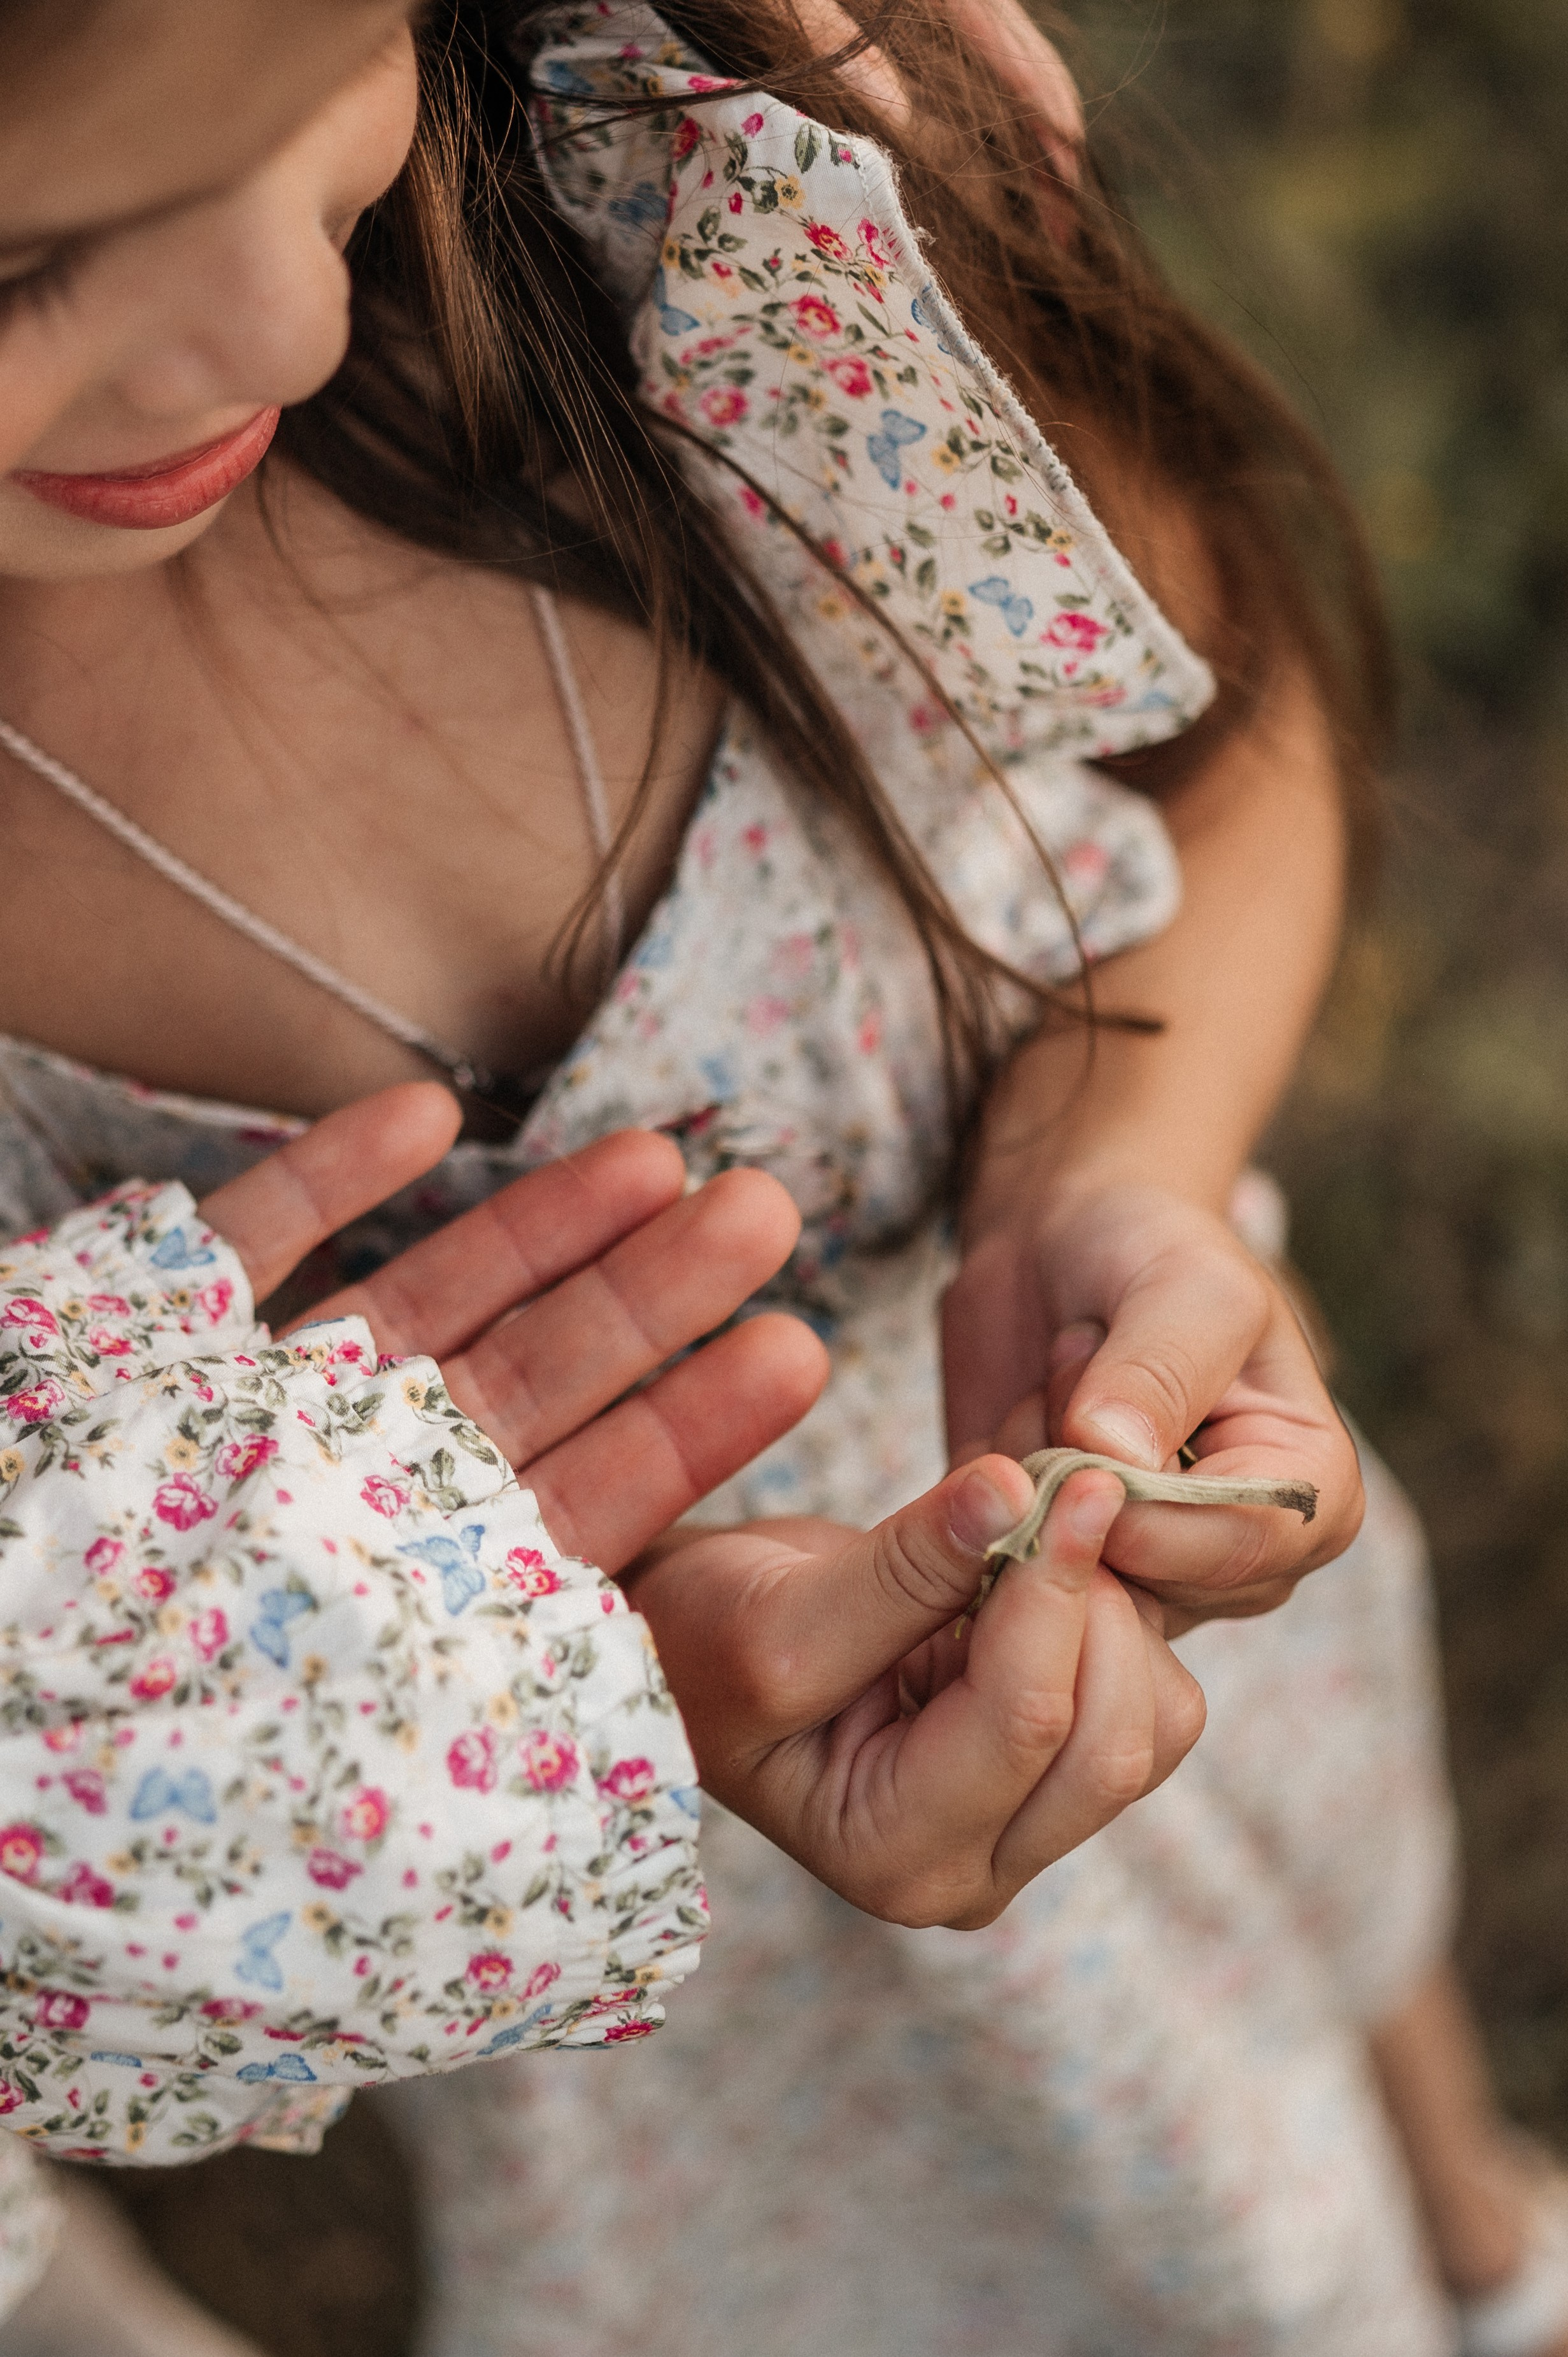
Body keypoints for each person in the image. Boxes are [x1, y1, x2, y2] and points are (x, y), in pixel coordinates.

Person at [0, 4, 1552, 2357]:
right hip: (651, 1927)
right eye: (25, 267)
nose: (283, 321)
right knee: (1186, 2240)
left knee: (1308, 1884)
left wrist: (1097, 1172)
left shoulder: (655, 188)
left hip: (1128, 1519)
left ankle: (1470, 2205)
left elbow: (1219, 733)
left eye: (322, 77)